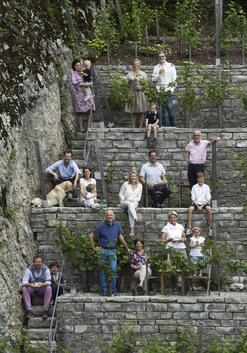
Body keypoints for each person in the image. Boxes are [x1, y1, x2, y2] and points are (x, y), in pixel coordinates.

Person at [88, 210, 132, 296]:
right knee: (102, 270)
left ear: (113, 216)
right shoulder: (101, 226)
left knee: (113, 269)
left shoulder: (117, 225)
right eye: (108, 215)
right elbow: (91, 235)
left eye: (111, 215)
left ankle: (113, 290)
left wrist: (127, 248)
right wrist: (94, 247)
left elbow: (120, 237)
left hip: (112, 250)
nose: (110, 217)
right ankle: (104, 290)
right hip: (102, 250)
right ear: (105, 216)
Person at [160, 211, 187, 292]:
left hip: (181, 247)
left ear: (176, 218)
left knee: (185, 265)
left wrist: (182, 239)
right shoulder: (166, 227)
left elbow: (185, 238)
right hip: (171, 249)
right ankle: (174, 287)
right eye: (171, 218)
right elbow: (162, 241)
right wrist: (169, 239)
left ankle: (185, 286)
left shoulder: (180, 226)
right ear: (169, 218)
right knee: (173, 268)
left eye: (174, 218)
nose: (173, 219)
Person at [152, 52, 177, 127]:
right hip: (160, 91)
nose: (161, 58)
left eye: (162, 56)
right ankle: (163, 125)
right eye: (160, 57)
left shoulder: (171, 66)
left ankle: (173, 125)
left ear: (165, 57)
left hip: (168, 90)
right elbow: (153, 79)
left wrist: (172, 89)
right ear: (158, 58)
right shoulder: (156, 67)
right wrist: (159, 74)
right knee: (161, 109)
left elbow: (174, 79)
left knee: (170, 108)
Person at [70, 59, 95, 132]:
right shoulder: (73, 73)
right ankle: (81, 127)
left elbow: (89, 78)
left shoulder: (84, 71)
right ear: (74, 66)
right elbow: (73, 82)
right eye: (76, 65)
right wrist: (83, 84)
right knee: (80, 111)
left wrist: (90, 84)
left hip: (88, 92)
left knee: (89, 109)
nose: (78, 67)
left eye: (79, 65)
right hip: (79, 94)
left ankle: (89, 126)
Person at [125, 59, 149, 128]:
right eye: (135, 64)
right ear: (132, 65)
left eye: (137, 64)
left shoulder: (143, 74)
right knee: (134, 111)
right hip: (132, 93)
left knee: (141, 111)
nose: (136, 65)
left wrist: (141, 88)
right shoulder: (129, 74)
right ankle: (133, 127)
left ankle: (140, 126)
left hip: (141, 93)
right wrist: (129, 81)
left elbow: (146, 84)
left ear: (139, 65)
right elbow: (126, 85)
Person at [119, 171, 143, 237]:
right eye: (132, 176)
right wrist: (124, 198)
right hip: (125, 202)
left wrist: (133, 200)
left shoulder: (140, 186)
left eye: (134, 176)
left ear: (137, 177)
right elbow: (120, 194)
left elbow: (139, 198)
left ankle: (132, 230)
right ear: (130, 177)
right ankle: (136, 219)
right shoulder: (125, 184)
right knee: (129, 204)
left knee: (130, 209)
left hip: (134, 202)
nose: (133, 177)